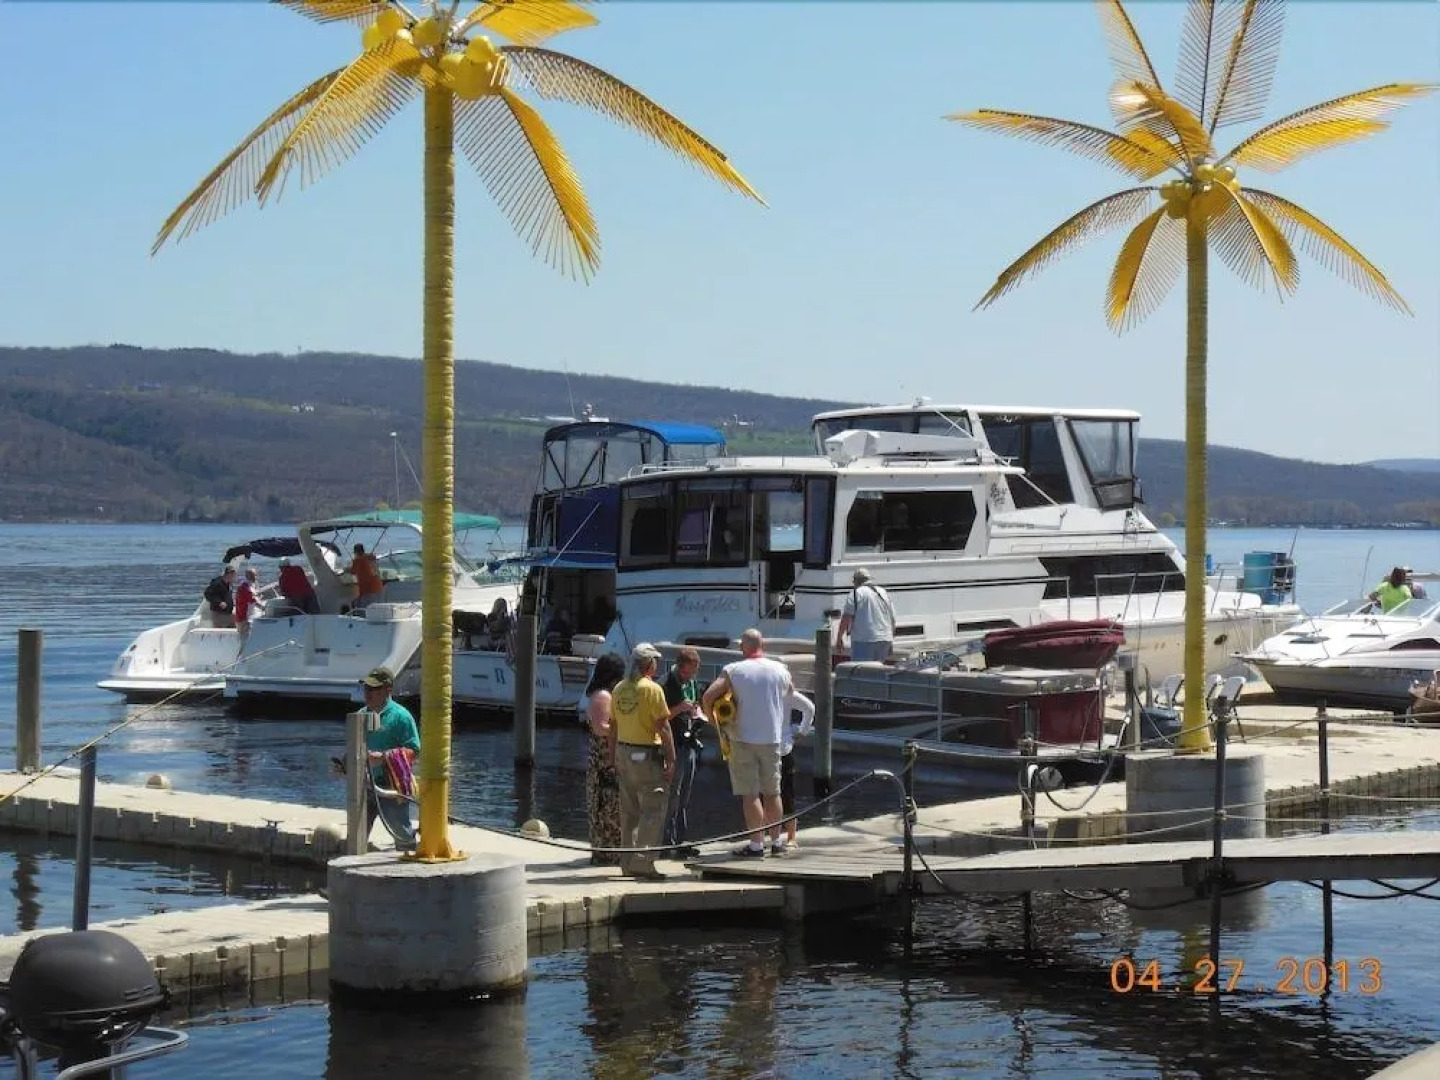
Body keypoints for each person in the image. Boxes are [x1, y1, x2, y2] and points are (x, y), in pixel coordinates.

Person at [701, 628, 794, 858]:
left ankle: (756, 845)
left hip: (742, 739)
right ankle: (777, 842)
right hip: (772, 739)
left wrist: (715, 723)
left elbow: (708, 697)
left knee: (750, 795)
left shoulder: (733, 670)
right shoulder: (780, 669)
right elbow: (790, 692)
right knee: (773, 793)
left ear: (743, 647)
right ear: (763, 646)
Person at [606, 643, 675, 879]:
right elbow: (663, 727)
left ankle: (627, 862)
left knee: (629, 811)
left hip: (623, 753)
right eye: (655, 661)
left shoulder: (618, 689)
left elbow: (613, 726)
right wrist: (671, 759)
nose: (657, 664)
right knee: (653, 809)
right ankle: (644, 863)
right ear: (648, 664)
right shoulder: (653, 690)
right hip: (647, 754)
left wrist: (611, 758)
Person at [357, 666, 420, 851]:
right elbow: (355, 747)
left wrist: (384, 757)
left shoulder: (401, 717)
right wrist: (344, 765)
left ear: (388, 690)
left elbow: (413, 750)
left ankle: (409, 858)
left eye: (374, 688)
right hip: (364, 783)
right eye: (366, 688)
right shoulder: (361, 715)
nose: (368, 692)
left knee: (401, 832)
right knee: (357, 832)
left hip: (391, 785)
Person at [581, 652, 626, 867]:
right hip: (603, 761)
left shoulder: (602, 694)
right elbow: (601, 728)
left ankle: (611, 851)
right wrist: (624, 729)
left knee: (611, 807)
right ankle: (606, 853)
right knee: (606, 807)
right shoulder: (602, 696)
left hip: (605, 759)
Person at [661, 646, 706, 858]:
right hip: (673, 744)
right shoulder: (665, 684)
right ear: (681, 667)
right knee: (673, 794)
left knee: (685, 794)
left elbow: (695, 705)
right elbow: (659, 718)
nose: (692, 675)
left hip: (689, 742)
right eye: (690, 671)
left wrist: (697, 713)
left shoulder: (692, 683)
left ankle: (680, 840)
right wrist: (679, 708)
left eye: (695, 671)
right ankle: (665, 842)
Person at [771, 686, 815, 852]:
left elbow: (810, 708)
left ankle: (768, 837)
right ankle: (789, 838)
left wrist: (802, 731)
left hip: (772, 747)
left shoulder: (783, 693)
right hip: (783, 747)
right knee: (786, 794)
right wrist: (802, 731)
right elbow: (809, 708)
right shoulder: (787, 692)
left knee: (770, 795)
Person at [837, 568, 895, 661]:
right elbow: (892, 618)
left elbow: (846, 617)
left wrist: (839, 638)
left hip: (864, 639)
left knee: (861, 669)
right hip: (885, 639)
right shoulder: (883, 592)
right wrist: (891, 639)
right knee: (878, 669)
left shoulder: (856, 593)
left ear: (856, 581)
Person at [348, 543, 383, 609]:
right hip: (378, 588)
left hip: (368, 590)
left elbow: (352, 571)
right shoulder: (371, 558)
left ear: (357, 552)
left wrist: (347, 568)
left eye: (355, 552)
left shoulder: (358, 560)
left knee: (363, 609)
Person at [233, 566, 261, 643]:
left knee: (244, 640)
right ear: (251, 576)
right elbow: (254, 601)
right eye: (255, 575)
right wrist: (264, 607)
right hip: (245, 620)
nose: (256, 577)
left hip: (240, 618)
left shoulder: (243, 586)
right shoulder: (247, 589)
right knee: (246, 642)